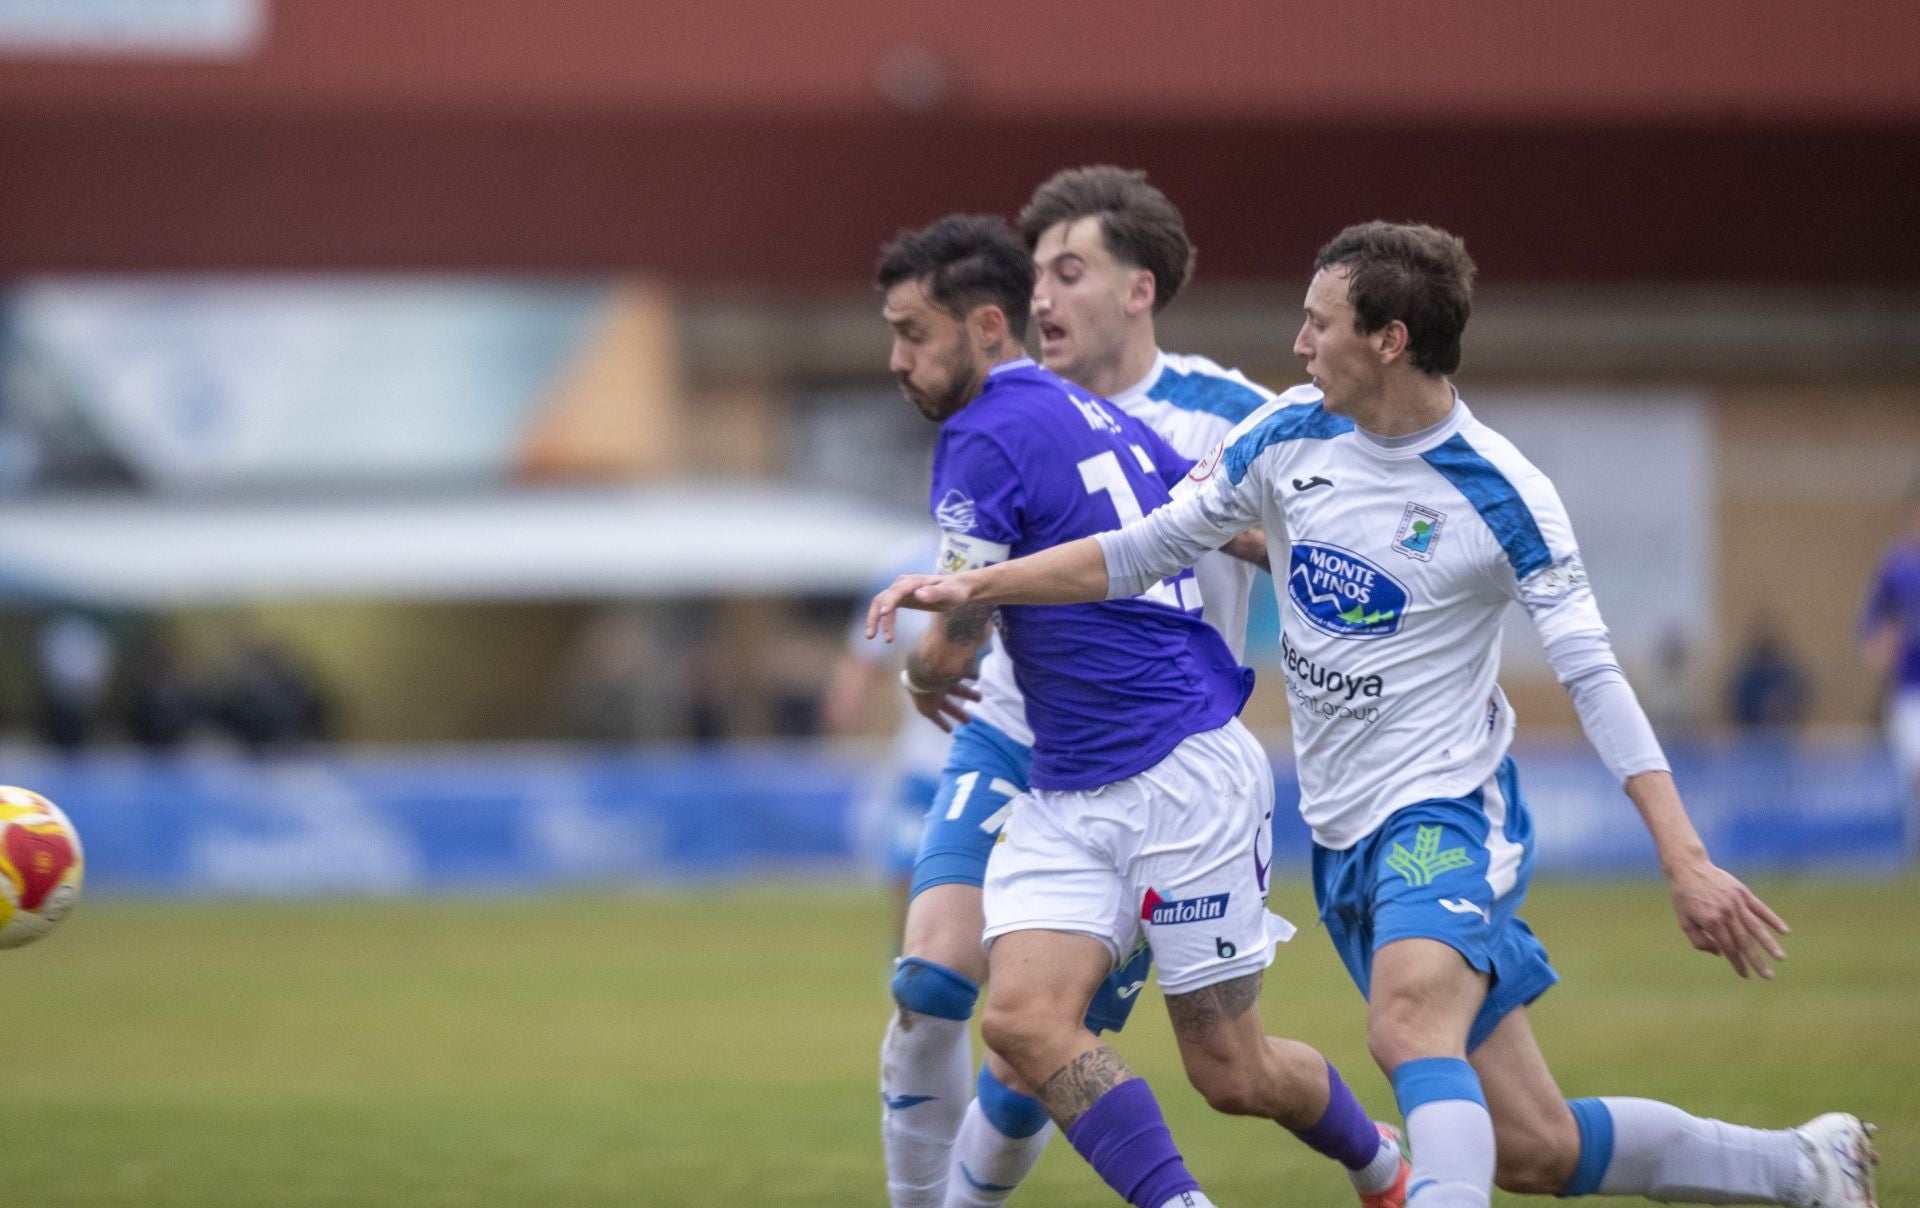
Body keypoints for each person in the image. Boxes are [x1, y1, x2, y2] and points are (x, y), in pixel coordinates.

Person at [870, 221, 1879, 1208]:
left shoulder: (1503, 491)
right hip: (1341, 829)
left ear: (1388, 340)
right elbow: (1141, 549)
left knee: (1404, 1028)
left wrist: (1685, 854)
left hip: (1442, 809)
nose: (1299, 346)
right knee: (1535, 1143)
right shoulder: (1284, 433)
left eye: (1319, 325)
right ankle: (1802, 1166)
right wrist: (976, 586)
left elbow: (1595, 678)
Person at [873, 212, 1407, 1208]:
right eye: (1039, 276)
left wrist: (920, 668)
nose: (896, 359)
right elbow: (1223, 526)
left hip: (1177, 767)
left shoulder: (992, 436)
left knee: (1229, 1069)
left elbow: (957, 633)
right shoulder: (1087, 412)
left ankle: (1388, 1166)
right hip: (1053, 770)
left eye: (912, 334)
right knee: (1017, 1019)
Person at [821, 536, 953, 917]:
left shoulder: (1023, 555)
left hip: (1003, 753)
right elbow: (867, 650)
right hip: (925, 757)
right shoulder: (907, 561)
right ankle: (912, 961)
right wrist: (845, 703)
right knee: (908, 871)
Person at [1861, 477, 1920, 860]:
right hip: (1910, 691)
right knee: (1916, 770)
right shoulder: (1898, 568)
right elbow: (1872, 626)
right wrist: (1881, 645)